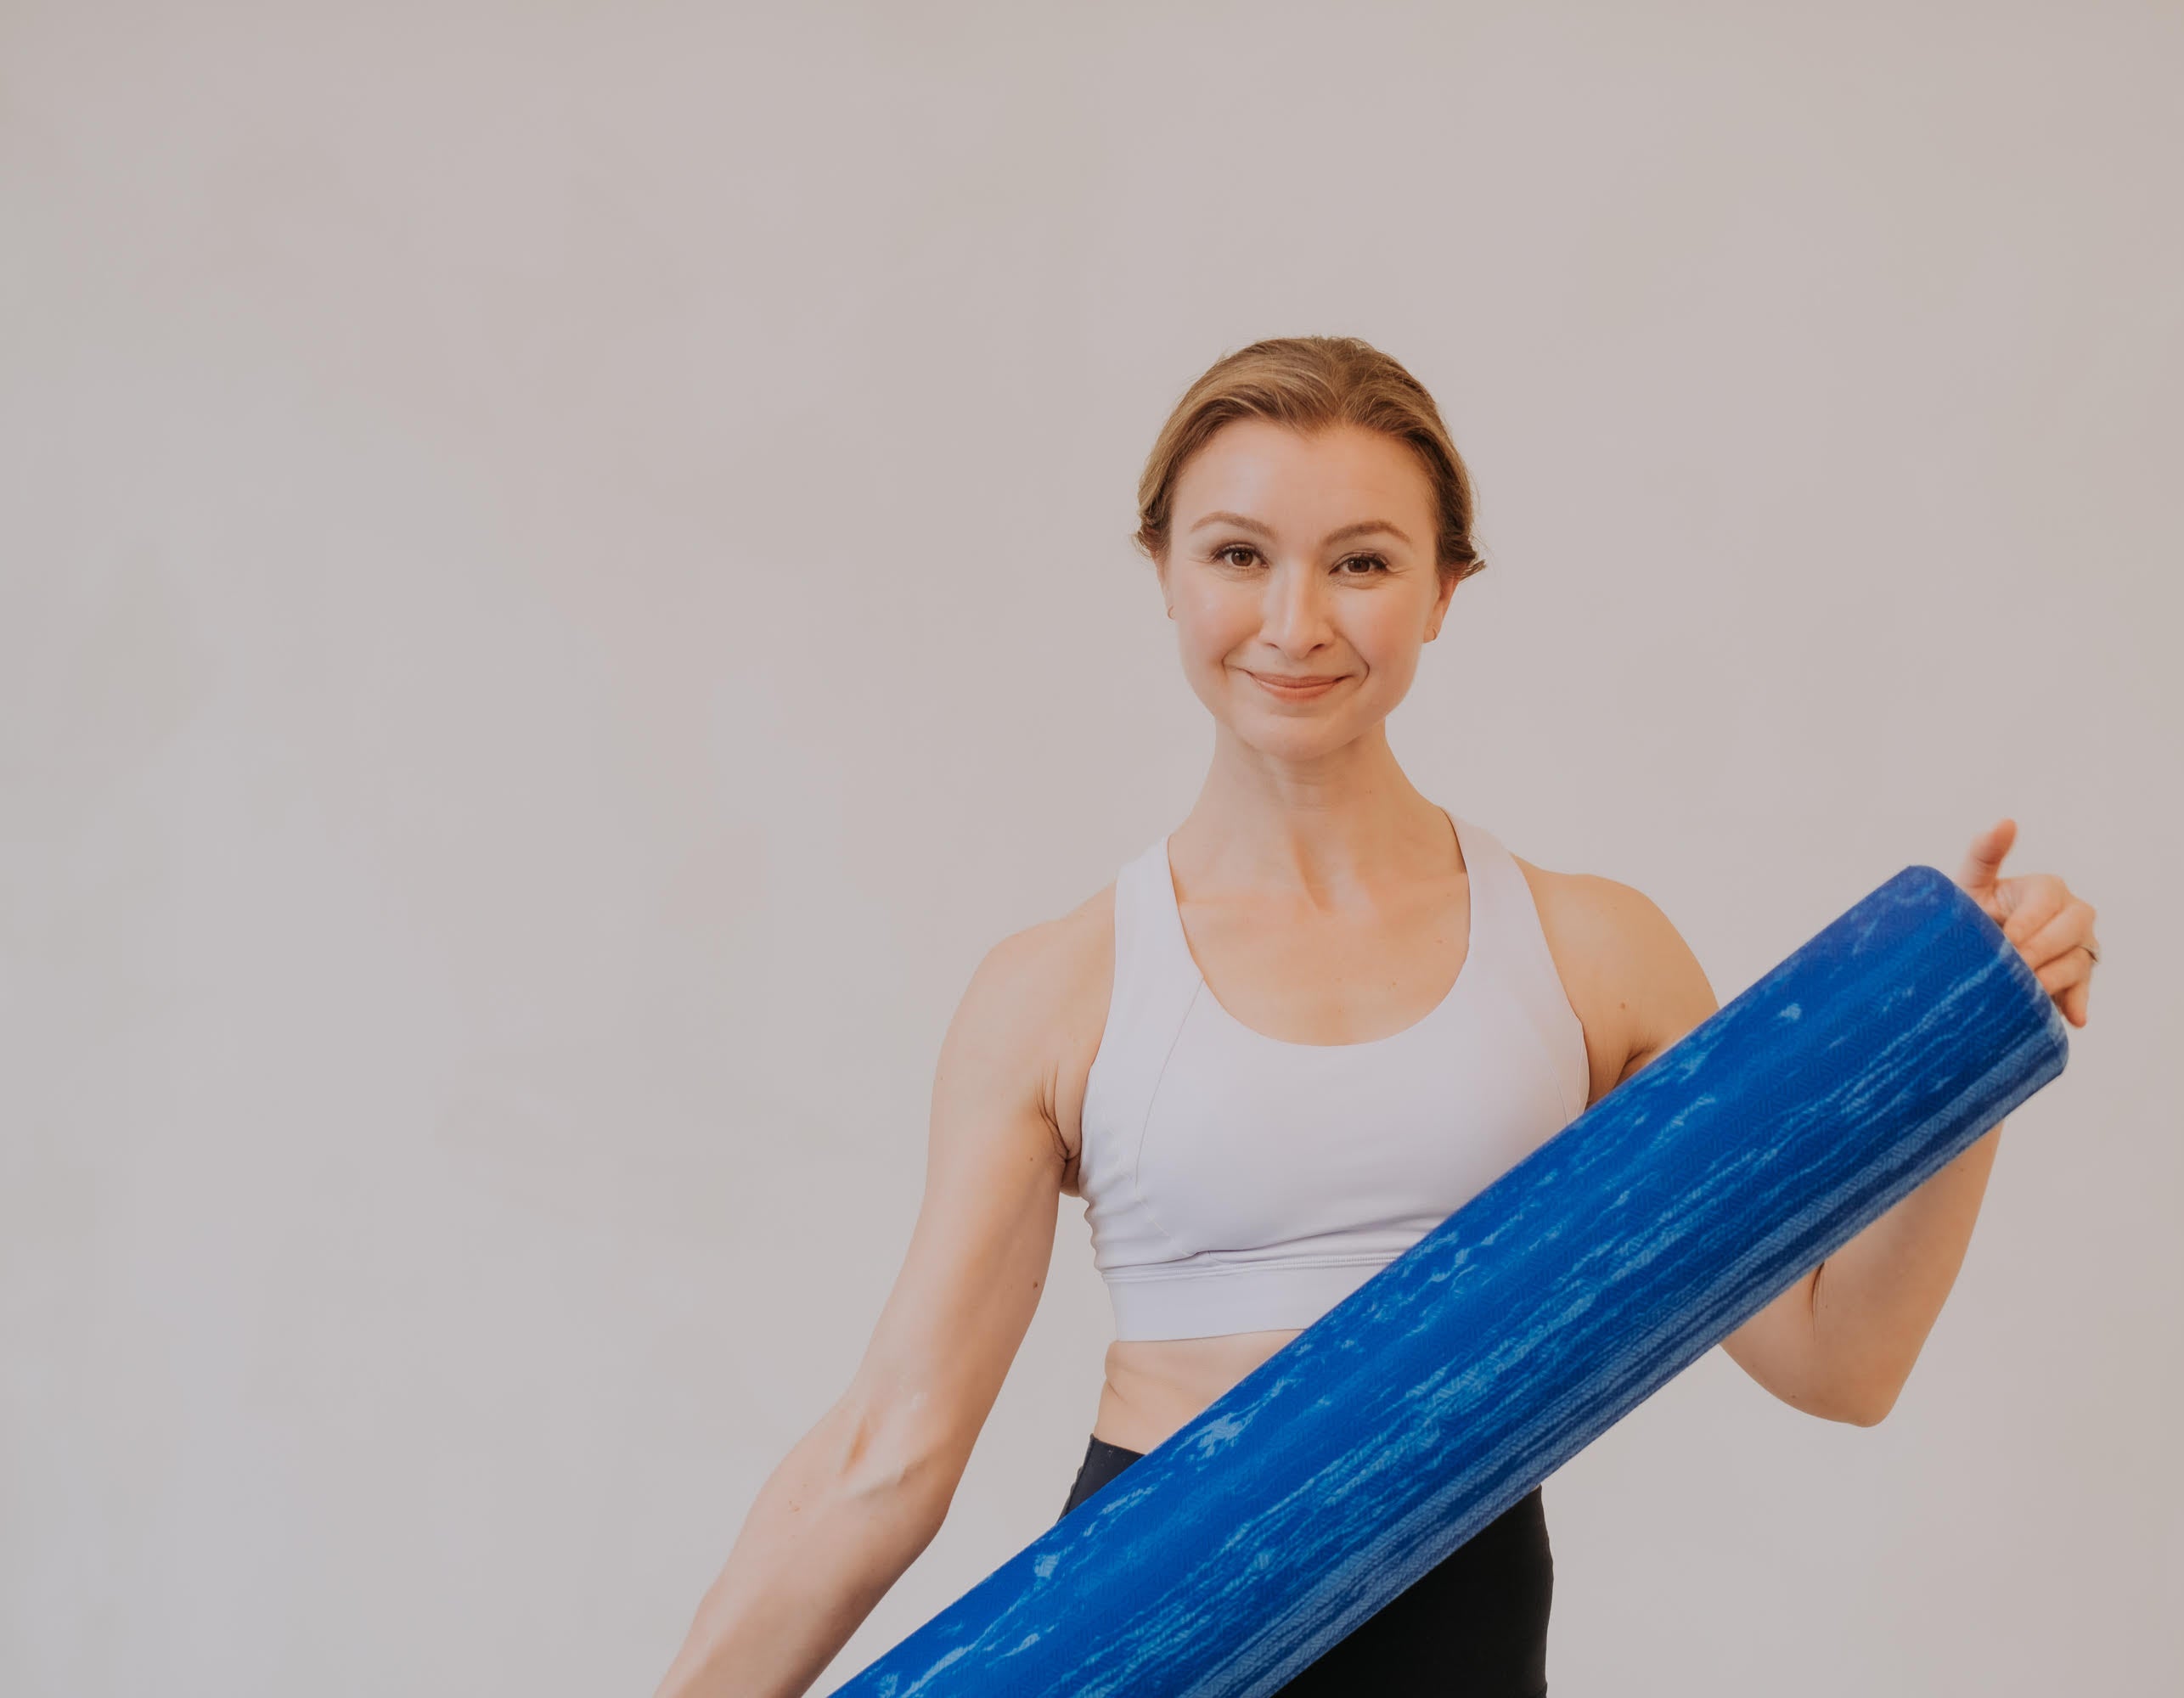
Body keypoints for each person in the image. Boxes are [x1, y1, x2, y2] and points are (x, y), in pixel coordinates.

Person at [650, 337, 2100, 1698]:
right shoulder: (1061, 987)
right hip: (1146, 1626)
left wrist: (1967, 1045)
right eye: (1238, 555)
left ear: (1444, 588)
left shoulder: (1590, 950)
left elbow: (1840, 1364)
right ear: (1162, 569)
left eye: (1361, 563)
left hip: (1458, 1624)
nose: (1296, 621)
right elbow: (887, 1453)